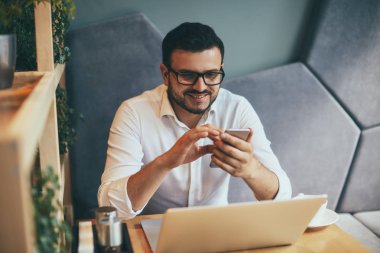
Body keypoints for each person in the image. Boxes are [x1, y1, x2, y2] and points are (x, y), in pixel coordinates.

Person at [98, 22, 291, 219]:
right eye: (187, 75)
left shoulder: (237, 109)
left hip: (219, 229)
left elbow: (283, 198)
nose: (200, 87)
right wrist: (165, 162)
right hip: (156, 230)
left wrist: (251, 168)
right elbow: (111, 208)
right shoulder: (133, 113)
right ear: (165, 74)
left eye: (211, 74)